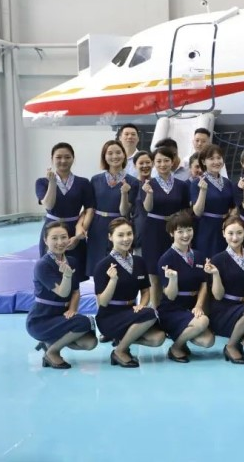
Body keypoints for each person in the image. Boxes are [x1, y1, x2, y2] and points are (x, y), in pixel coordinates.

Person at [93, 218, 165, 368]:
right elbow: (102, 302)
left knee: (158, 338)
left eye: (129, 234)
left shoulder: (139, 262)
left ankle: (123, 340)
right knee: (150, 314)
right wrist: (113, 280)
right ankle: (119, 351)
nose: (126, 239)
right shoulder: (102, 266)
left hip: (132, 312)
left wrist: (142, 305)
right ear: (110, 237)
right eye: (120, 235)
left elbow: (145, 291)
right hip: (110, 316)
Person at [27, 222, 97, 369]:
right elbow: (63, 292)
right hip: (42, 319)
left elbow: (76, 291)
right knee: (83, 322)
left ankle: (50, 342)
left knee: (91, 342)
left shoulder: (72, 261)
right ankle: (52, 352)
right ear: (45, 240)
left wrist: (72, 309)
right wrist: (66, 276)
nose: (60, 242)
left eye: (64, 237)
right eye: (54, 238)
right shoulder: (43, 265)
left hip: (61, 317)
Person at [206, 216, 244, 364]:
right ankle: (231, 346)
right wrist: (215, 274)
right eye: (230, 233)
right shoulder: (217, 259)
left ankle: (237, 335)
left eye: (239, 233)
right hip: (224, 310)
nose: (235, 237)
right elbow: (218, 296)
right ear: (223, 234)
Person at [157, 211, 215, 362]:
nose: (185, 235)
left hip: (191, 307)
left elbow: (203, 283)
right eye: (180, 231)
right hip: (172, 309)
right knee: (203, 321)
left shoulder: (199, 256)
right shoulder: (166, 259)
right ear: (172, 233)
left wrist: (199, 305)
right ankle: (176, 348)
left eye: (189, 230)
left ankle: (182, 339)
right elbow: (170, 296)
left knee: (208, 341)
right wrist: (173, 279)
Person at [35, 143, 94, 283]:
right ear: (52, 159)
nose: (63, 161)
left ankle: (74, 298)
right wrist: (52, 183)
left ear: (73, 158)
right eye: (58, 157)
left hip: (74, 230)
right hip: (52, 228)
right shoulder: (42, 182)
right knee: (51, 271)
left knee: (75, 273)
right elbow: (48, 205)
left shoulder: (83, 182)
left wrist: (79, 235)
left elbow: (89, 209)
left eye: (67, 157)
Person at [141, 146, 191, 306]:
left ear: (173, 162)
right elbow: (147, 208)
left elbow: (186, 209)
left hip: (175, 232)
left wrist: (176, 218)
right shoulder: (148, 184)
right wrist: (149, 194)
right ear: (153, 163)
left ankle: (174, 309)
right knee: (154, 274)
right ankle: (156, 309)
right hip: (153, 231)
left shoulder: (182, 185)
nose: (162, 164)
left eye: (166, 160)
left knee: (175, 269)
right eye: (159, 161)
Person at [85, 140, 139, 275]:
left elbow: (125, 211)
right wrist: (84, 227)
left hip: (120, 226)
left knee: (120, 266)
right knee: (98, 266)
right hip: (97, 226)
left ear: (124, 155)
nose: (114, 156)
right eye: (110, 153)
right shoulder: (95, 180)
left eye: (118, 152)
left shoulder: (133, 182)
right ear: (104, 156)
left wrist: (124, 193)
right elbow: (90, 208)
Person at [191, 144, 234, 257]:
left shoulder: (228, 183)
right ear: (203, 162)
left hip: (225, 228)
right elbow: (197, 212)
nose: (216, 162)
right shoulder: (197, 183)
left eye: (219, 158)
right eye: (211, 158)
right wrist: (203, 191)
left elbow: (233, 207)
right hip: (207, 228)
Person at [131, 150, 153, 254]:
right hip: (138, 233)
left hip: (157, 232)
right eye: (141, 163)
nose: (145, 166)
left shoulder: (158, 183)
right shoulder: (131, 185)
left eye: (148, 162)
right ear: (135, 165)